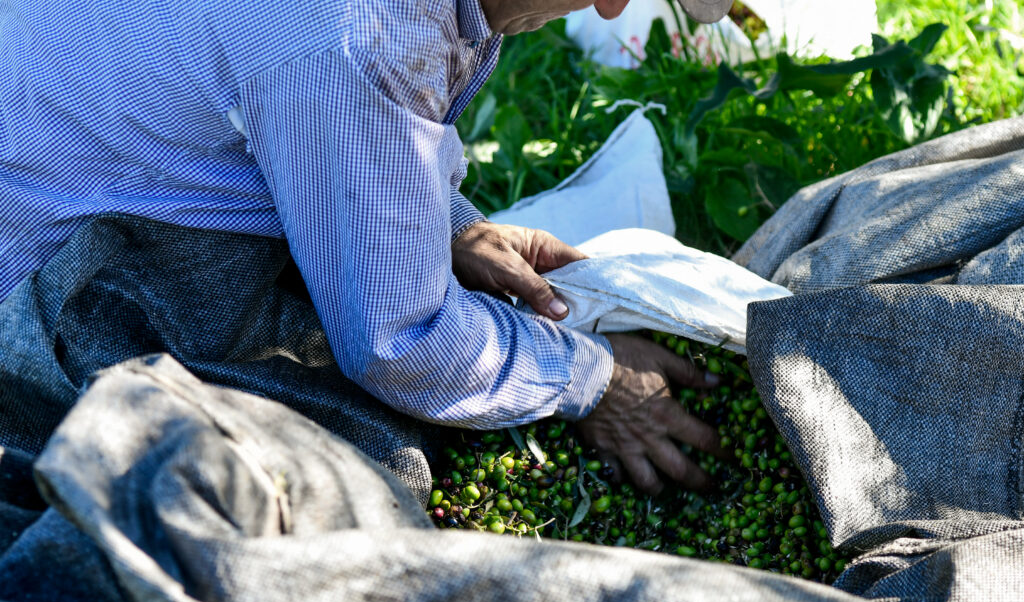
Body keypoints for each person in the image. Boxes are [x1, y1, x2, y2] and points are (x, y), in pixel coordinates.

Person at [0, 0, 732, 494]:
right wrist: (595, 379)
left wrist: (447, 223)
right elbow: (395, 342)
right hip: (44, 277)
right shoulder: (369, 38)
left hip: (61, 134)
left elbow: (282, 106)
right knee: (351, 480)